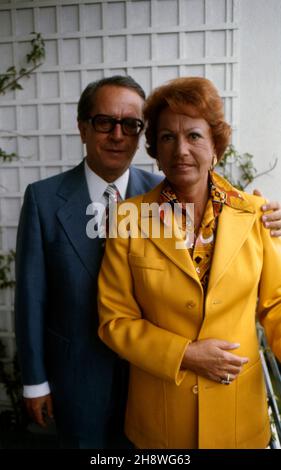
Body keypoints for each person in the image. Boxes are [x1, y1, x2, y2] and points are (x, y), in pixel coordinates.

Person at [98, 76, 281, 449]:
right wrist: (185, 354)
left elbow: (275, 304)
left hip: (238, 417)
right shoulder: (128, 218)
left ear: (215, 145)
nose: (181, 149)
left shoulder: (253, 213)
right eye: (168, 137)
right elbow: (115, 321)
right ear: (156, 150)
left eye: (194, 136)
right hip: (162, 422)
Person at [14, 75, 161, 449]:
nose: (117, 134)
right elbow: (32, 299)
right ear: (82, 128)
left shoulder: (165, 196)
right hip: (75, 378)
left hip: (150, 378)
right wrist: (35, 381)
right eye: (103, 121)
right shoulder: (43, 200)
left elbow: (216, 226)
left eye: (130, 124)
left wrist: (265, 217)